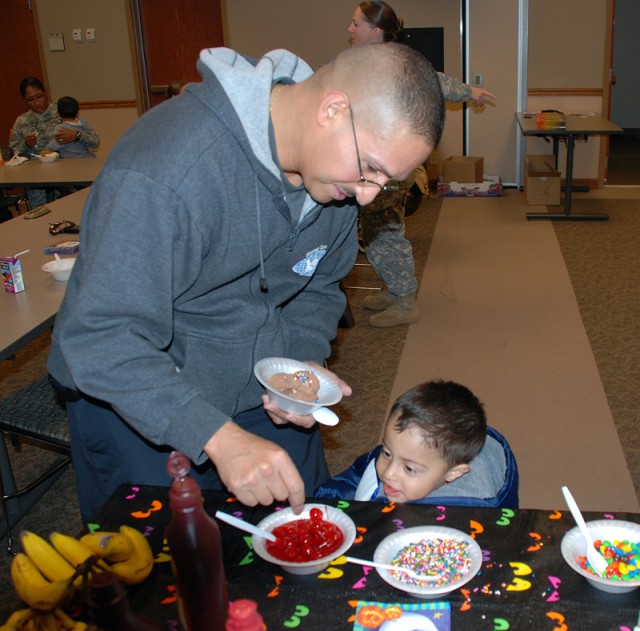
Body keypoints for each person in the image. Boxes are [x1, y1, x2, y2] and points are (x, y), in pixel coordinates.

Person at [47, 43, 445, 522]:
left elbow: (317, 288)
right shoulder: (167, 168)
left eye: (386, 182)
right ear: (334, 110)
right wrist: (217, 436)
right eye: (371, 170)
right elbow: (100, 338)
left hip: (256, 386)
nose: (367, 195)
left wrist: (298, 372)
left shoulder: (335, 183)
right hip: (137, 396)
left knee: (304, 541)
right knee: (166, 577)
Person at [348, 1, 497, 327]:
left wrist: (469, 91)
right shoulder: (368, 63)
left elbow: (434, 80)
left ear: (375, 31)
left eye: (356, 24)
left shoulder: (395, 63)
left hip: (390, 165)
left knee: (386, 230)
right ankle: (394, 289)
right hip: (371, 163)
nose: (350, 29)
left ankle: (405, 301)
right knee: (373, 230)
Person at [314, 380, 519, 508]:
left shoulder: (464, 518)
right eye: (387, 452)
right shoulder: (406, 452)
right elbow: (348, 482)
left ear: (453, 473)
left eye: (410, 469)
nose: (388, 473)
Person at [9, 78, 100, 207]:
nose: (36, 103)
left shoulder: (63, 111)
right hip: (38, 178)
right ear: (25, 101)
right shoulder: (22, 121)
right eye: (30, 100)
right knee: (40, 213)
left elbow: (95, 142)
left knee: (74, 209)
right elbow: (12, 154)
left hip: (69, 175)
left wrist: (77, 136)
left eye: (39, 97)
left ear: (45, 93)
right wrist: (26, 145)